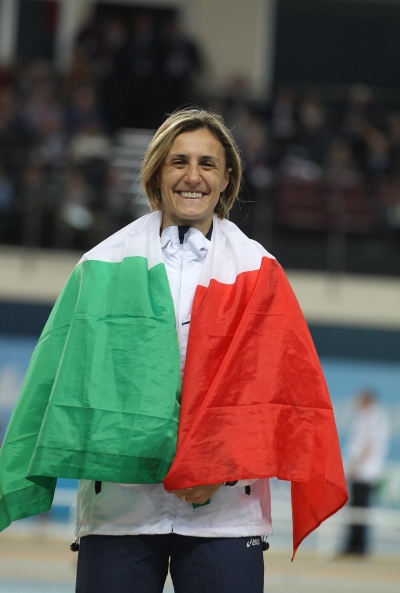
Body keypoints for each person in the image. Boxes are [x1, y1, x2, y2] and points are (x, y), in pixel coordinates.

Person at [0, 108, 347, 592]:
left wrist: (218, 466)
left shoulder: (259, 270)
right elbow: (58, 385)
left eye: (207, 164)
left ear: (227, 178)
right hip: (119, 510)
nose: (192, 176)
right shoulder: (100, 264)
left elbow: (275, 392)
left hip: (225, 513)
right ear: (156, 172)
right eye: (179, 161)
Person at [342, 387, 389, 556]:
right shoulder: (368, 416)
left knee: (360, 508)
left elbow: (369, 444)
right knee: (356, 507)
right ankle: (354, 543)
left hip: (364, 470)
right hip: (362, 468)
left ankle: (357, 545)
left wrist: (356, 465)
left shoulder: (373, 417)